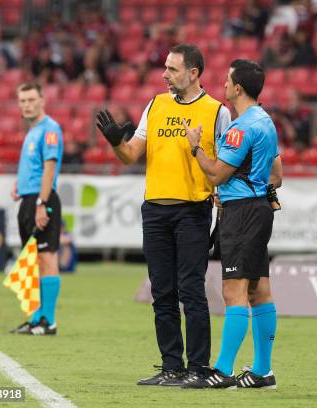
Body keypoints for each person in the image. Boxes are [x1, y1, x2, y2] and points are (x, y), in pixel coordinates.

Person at [96, 44, 231, 386]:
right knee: (162, 292)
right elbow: (130, 155)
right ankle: (172, 367)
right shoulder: (155, 104)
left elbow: (226, 165)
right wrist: (115, 142)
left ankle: (199, 369)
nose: (164, 74)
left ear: (194, 73)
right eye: (165, 68)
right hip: (155, 209)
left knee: (192, 291)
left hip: (192, 210)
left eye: (172, 69)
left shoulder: (217, 111)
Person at [180, 59, 282, 389]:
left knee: (234, 290)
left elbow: (215, 173)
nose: (222, 84)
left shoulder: (240, 128)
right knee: (258, 290)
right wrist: (245, 185)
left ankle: (222, 371)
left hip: (241, 215)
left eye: (226, 80)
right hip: (258, 209)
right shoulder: (265, 121)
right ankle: (262, 371)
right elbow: (276, 176)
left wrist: (195, 145)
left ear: (238, 88)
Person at [9, 82, 64, 336]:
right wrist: (19, 185)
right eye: (22, 101)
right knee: (31, 260)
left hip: (42, 201)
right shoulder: (32, 131)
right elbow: (34, 167)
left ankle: (48, 321)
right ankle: (35, 319)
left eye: (31, 100)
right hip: (28, 200)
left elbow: (49, 167)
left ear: (42, 100)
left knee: (46, 258)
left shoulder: (50, 129)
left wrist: (42, 203)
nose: (26, 105)